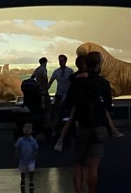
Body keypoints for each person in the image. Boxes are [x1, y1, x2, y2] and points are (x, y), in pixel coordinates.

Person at [62, 49, 114, 193]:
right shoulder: (103, 83)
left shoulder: (76, 82)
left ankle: (78, 190)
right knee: (94, 165)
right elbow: (108, 104)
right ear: (97, 65)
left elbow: (67, 103)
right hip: (99, 126)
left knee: (78, 163)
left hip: (82, 126)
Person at [48, 53, 75, 135]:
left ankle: (69, 131)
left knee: (69, 113)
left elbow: (74, 83)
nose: (60, 62)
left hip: (68, 95)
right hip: (59, 95)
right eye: (59, 60)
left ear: (65, 61)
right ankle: (54, 131)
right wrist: (44, 90)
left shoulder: (70, 71)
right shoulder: (56, 72)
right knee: (56, 113)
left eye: (62, 60)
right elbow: (50, 83)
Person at [15, 121, 39, 192]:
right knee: (22, 171)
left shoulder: (33, 141)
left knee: (31, 171)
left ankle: (31, 182)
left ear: (32, 130)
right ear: (22, 129)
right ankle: (23, 180)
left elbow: (36, 149)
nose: (27, 129)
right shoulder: (20, 140)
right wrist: (17, 153)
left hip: (31, 160)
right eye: (25, 127)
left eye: (29, 127)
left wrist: (34, 155)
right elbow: (17, 147)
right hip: (22, 159)